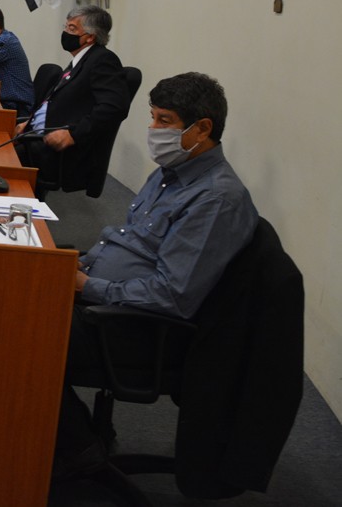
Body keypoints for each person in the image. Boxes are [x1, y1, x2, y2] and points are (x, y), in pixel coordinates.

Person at [54, 72, 259, 478]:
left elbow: (172, 296)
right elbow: (129, 243)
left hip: (138, 330)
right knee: (12, 288)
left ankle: (78, 448)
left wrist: (89, 286)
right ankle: (67, 434)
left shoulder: (215, 199)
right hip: (109, 301)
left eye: (164, 120)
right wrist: (82, 265)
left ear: (202, 129)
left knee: (12, 330)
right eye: (152, 117)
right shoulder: (170, 173)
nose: (152, 129)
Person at [15, 4, 130, 194]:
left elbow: (114, 107)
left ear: (90, 37)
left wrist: (74, 134)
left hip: (52, 148)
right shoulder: (82, 60)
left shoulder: (103, 60)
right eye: (66, 26)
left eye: (72, 28)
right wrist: (30, 121)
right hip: (36, 136)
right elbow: (55, 101)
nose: (65, 32)